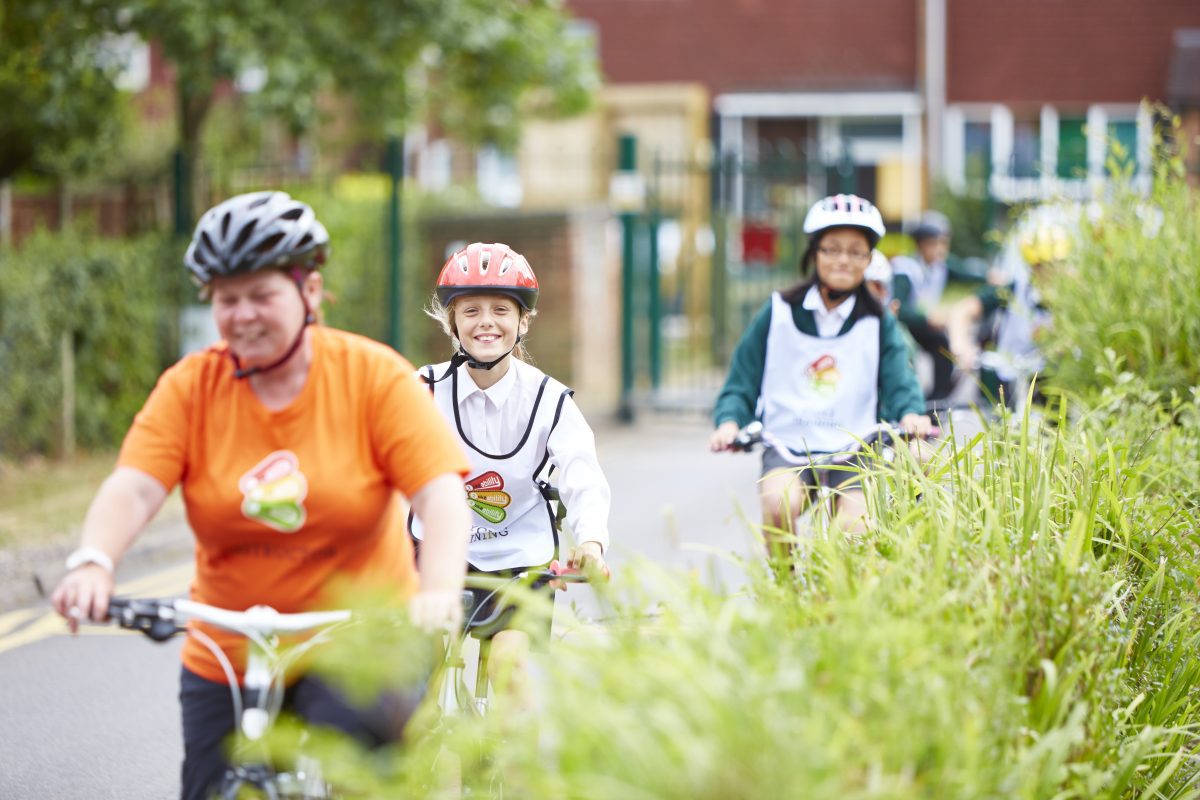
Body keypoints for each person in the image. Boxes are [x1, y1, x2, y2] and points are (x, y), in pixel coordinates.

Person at [50, 191, 473, 800]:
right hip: (230, 644)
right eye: (226, 299)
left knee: (362, 777)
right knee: (210, 787)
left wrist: (436, 592)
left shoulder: (373, 377)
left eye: (260, 295)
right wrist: (93, 562)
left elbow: (439, 495)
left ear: (309, 291)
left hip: (358, 638)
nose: (242, 314)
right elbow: (136, 486)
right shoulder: (192, 386)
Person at [412, 241, 611, 702]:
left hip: (520, 562)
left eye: (501, 309)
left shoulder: (549, 399)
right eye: (471, 310)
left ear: (523, 322)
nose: (486, 321)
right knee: (417, 684)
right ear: (451, 322)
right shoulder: (421, 389)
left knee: (510, 669)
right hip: (435, 557)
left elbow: (582, 474)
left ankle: (511, 769)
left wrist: (591, 542)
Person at [709, 194, 931, 540]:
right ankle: (786, 584)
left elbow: (899, 378)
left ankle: (841, 593)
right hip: (788, 442)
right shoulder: (779, 311)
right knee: (779, 503)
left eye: (856, 251)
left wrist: (911, 414)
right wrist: (729, 421)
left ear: (869, 258)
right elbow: (743, 378)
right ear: (814, 253)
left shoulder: (878, 320)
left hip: (853, 447)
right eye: (832, 249)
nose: (843, 260)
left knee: (855, 530)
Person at [946, 205, 1073, 408]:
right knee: (1001, 424)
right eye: (1042, 266)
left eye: (1056, 264)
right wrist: (961, 346)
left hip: (1052, 380)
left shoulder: (1074, 296)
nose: (1050, 273)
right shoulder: (1013, 289)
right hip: (1008, 375)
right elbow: (963, 311)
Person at [890, 210, 987, 401]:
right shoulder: (905, 269)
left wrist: (990, 277)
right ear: (921, 245)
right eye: (933, 243)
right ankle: (908, 401)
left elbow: (966, 273)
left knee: (943, 347)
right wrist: (928, 318)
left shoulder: (940, 266)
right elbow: (899, 309)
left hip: (923, 325)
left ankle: (936, 402)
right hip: (902, 325)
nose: (940, 249)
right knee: (906, 353)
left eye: (944, 243)